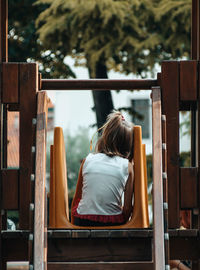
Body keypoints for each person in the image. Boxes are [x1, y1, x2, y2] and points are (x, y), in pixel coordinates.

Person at [72, 111, 134, 226]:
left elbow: (77, 198)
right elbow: (127, 209)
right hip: (111, 222)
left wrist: (73, 224)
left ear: (105, 137)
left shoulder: (87, 160)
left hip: (82, 220)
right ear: (129, 145)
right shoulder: (127, 166)